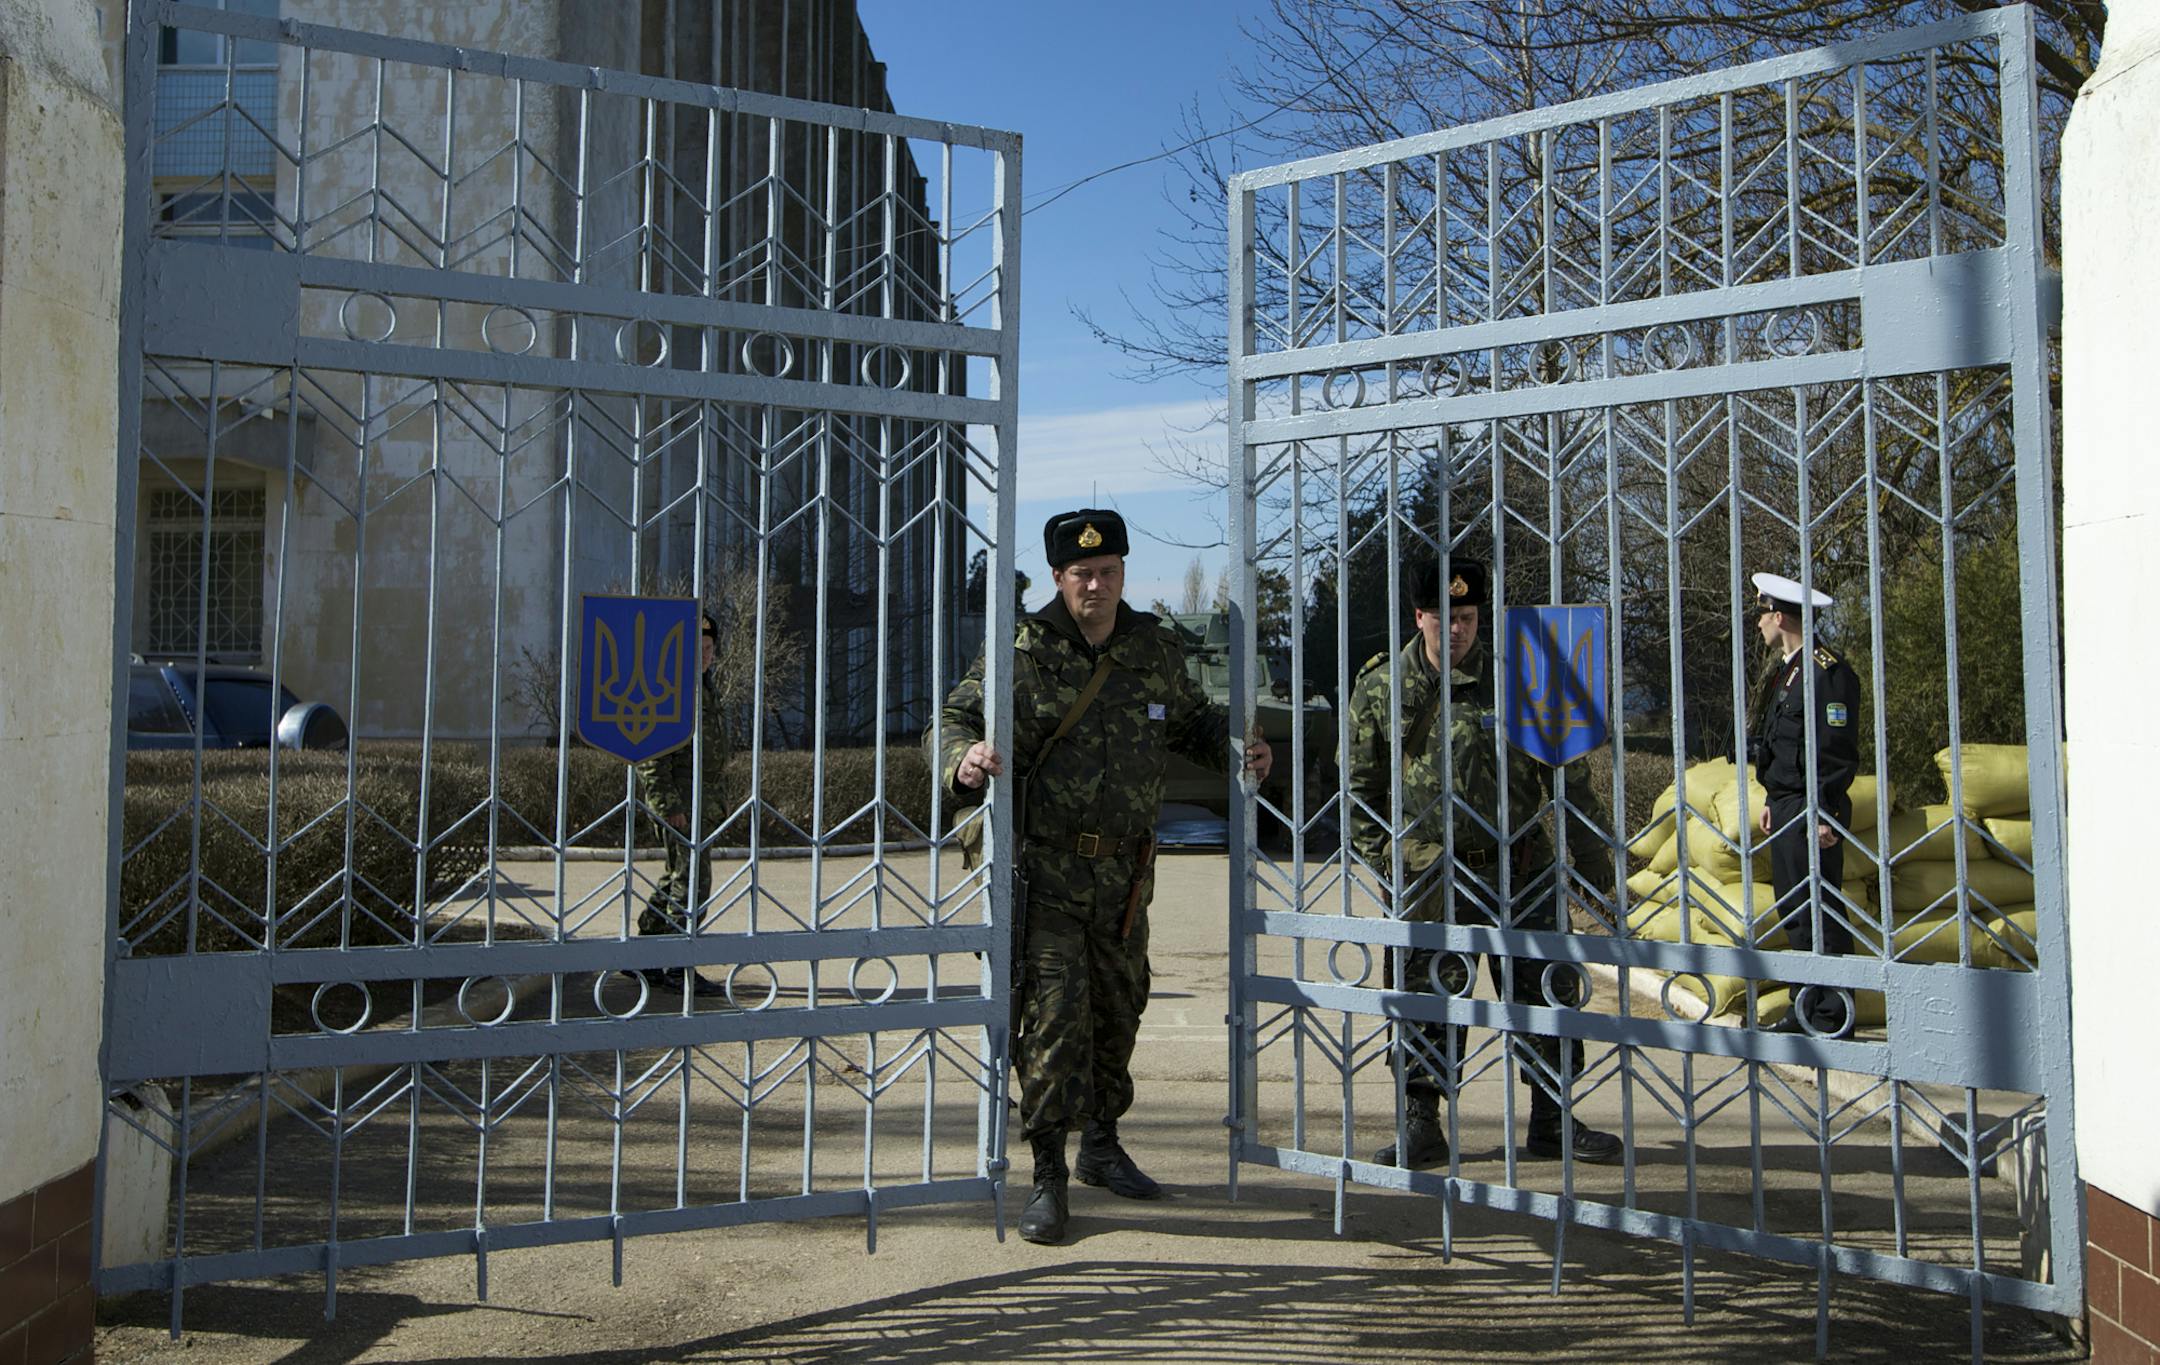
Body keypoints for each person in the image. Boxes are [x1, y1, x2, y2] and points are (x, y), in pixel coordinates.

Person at [932, 509, 1272, 1245]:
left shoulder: (1150, 647)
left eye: (1109, 570)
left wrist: (1239, 747)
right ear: (1059, 577)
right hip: (1048, 871)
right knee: (1053, 1022)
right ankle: (1048, 1171)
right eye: (1082, 573)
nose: (1097, 584)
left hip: (1125, 876)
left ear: (1123, 572)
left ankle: (1102, 1144)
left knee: (1119, 1012)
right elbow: (953, 717)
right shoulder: (1022, 649)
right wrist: (961, 760)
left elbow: (1190, 721)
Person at [1345, 558, 1623, 1169]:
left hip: (1520, 870)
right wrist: (1392, 860)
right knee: (1426, 995)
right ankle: (1422, 1124)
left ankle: (1552, 1118)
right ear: (1420, 617)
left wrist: (1594, 861)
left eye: (1468, 617)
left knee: (1546, 993)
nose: (1458, 630)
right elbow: (1357, 790)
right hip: (1433, 876)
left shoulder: (1520, 677)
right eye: (1444, 618)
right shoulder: (1382, 687)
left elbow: (1568, 776)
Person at [1745, 572, 1861, 1035]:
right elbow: (1784, 743)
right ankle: (1807, 1006)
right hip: (1790, 806)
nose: (1757, 624)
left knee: (1820, 911)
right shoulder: (1789, 671)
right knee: (1796, 912)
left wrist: (1825, 814)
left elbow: (1833, 749)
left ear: (1779, 615)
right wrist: (1775, 797)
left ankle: (1832, 1015)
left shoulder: (1826, 672)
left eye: (1761, 613)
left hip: (1814, 811)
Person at [636, 607, 731, 995]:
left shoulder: (702, 688)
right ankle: (678, 964)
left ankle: (642, 957)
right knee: (693, 882)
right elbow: (651, 753)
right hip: (681, 803)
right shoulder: (670, 689)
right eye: (698, 648)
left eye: (709, 647)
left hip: (700, 800)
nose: (705, 655)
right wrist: (668, 804)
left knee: (676, 877)